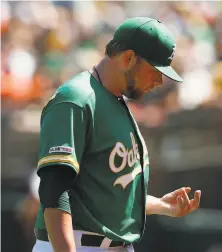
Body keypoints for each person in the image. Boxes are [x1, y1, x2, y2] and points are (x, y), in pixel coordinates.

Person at [32, 17, 201, 252]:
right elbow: (54, 191)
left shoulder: (115, 101)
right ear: (129, 58)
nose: (159, 81)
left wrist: (160, 205)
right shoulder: (77, 99)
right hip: (77, 245)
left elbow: (103, 194)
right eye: (154, 70)